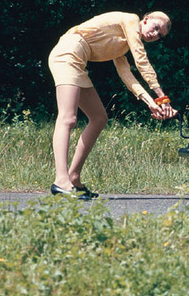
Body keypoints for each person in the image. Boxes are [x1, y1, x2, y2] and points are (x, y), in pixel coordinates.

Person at [47, 11, 177, 199]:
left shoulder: (123, 45)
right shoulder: (130, 20)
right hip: (68, 53)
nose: (155, 35)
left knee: (99, 119)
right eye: (156, 28)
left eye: (160, 35)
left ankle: (73, 178)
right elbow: (141, 60)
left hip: (78, 61)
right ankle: (61, 180)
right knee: (68, 118)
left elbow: (127, 76)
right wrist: (162, 98)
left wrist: (150, 103)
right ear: (146, 19)